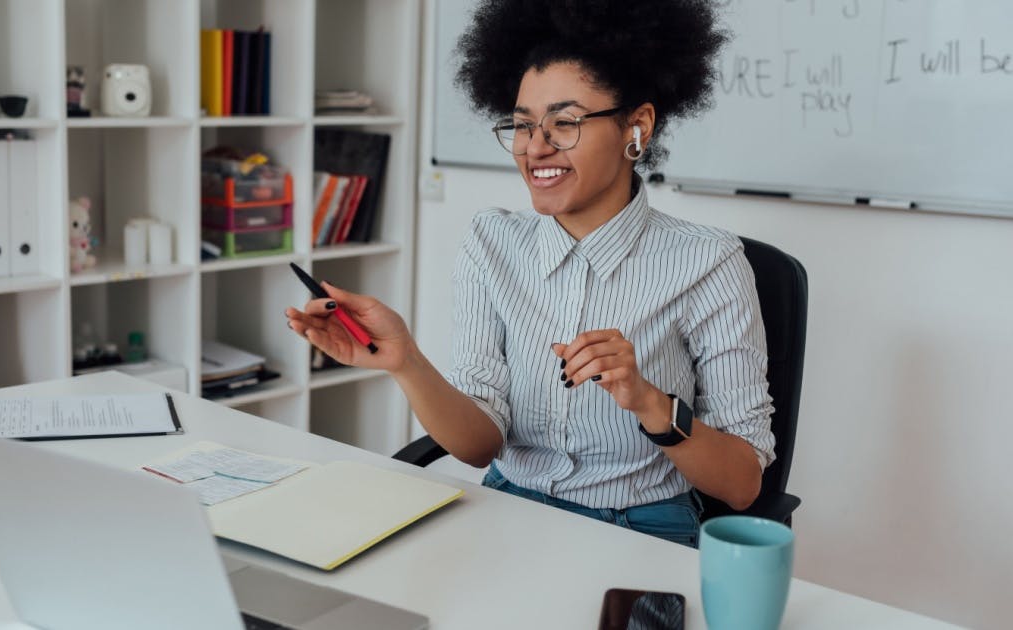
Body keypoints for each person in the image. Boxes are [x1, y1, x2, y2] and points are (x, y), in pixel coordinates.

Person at [286, 0, 773, 548]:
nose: (535, 147)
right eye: (522, 126)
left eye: (564, 123)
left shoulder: (709, 262)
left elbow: (742, 486)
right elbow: (478, 447)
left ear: (635, 127)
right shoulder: (491, 242)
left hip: (642, 529)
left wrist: (648, 402)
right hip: (508, 508)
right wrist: (404, 361)